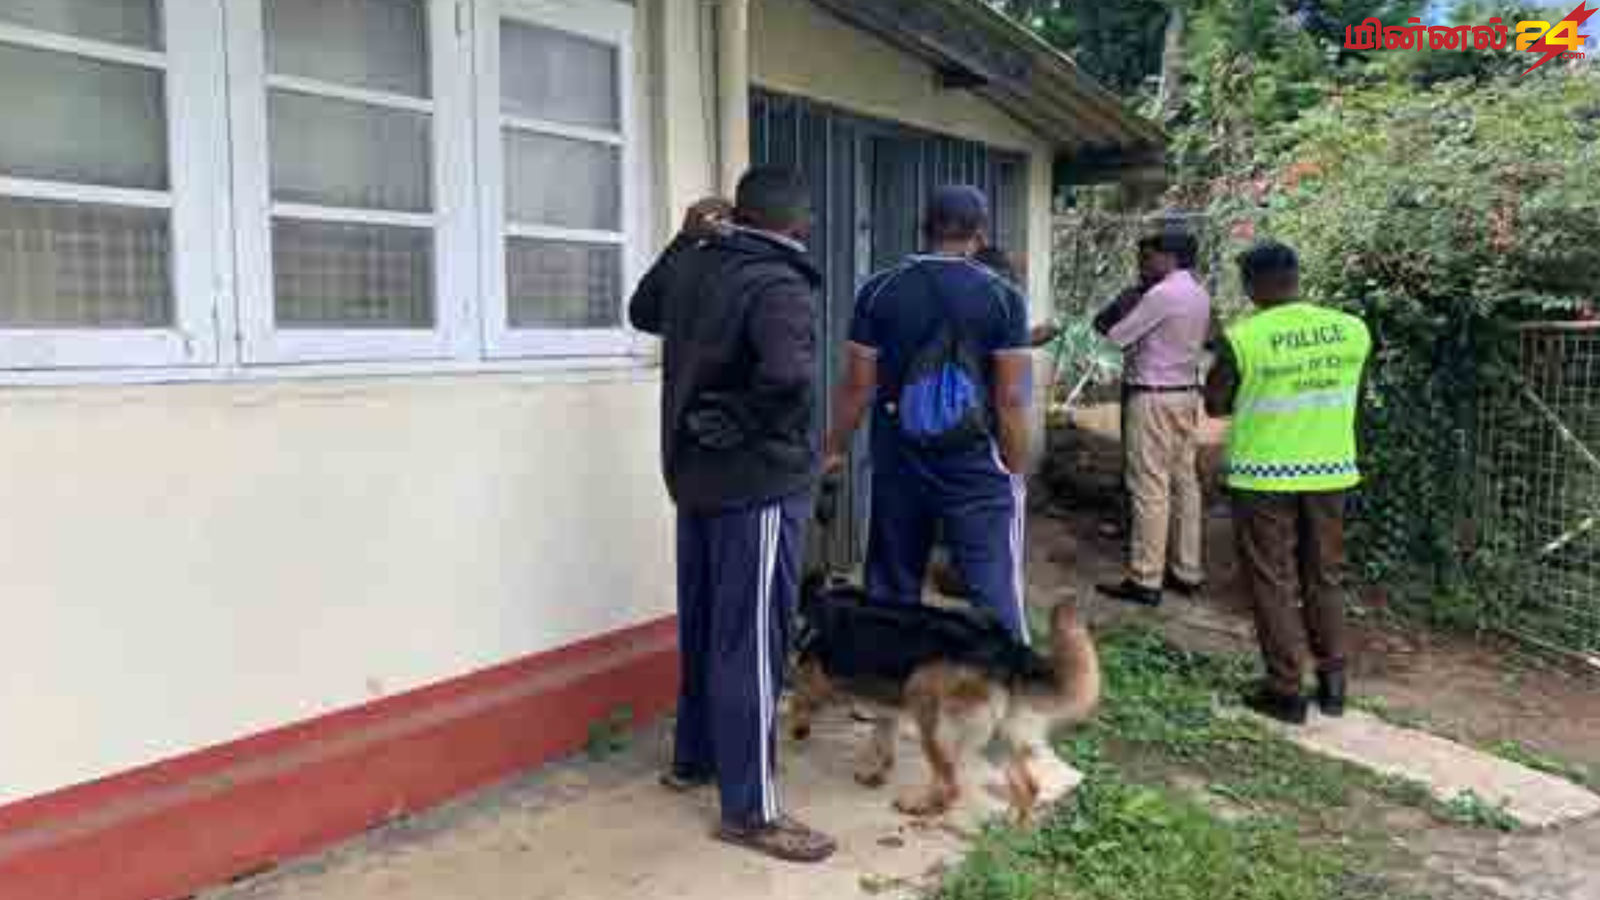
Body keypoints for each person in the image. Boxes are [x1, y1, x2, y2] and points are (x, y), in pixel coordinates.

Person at [627, 168, 836, 862]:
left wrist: (681, 240)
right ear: (797, 223)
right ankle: (751, 811)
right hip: (757, 487)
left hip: (694, 478)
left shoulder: (696, 263)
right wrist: (746, 421)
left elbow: (643, 310)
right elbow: (789, 377)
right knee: (752, 643)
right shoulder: (778, 282)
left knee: (707, 626)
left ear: (738, 213)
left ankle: (695, 760)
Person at [824, 185, 1034, 642]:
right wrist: (1014, 471)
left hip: (898, 458)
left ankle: (886, 674)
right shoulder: (1004, 297)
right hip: (975, 464)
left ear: (923, 228)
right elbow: (1011, 400)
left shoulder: (879, 290)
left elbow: (858, 387)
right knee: (992, 586)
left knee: (891, 587)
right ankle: (1009, 675)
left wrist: (834, 449)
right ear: (980, 234)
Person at [1204, 241, 1372, 725]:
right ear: (1296, 275)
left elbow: (1215, 404)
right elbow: (1355, 395)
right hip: (1331, 469)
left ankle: (1285, 689)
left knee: (1271, 578)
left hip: (1263, 474)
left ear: (1253, 284)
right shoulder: (1352, 330)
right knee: (1325, 575)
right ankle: (1334, 686)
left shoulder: (1244, 338)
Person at [1095, 229, 1212, 608]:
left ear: (1170, 257)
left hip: (1153, 396)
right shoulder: (1199, 292)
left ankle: (1146, 578)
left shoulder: (1162, 294)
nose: (1144, 264)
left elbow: (1117, 336)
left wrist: (1128, 311)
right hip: (1186, 394)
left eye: (1150, 257)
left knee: (1149, 487)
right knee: (1185, 483)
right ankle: (1187, 570)